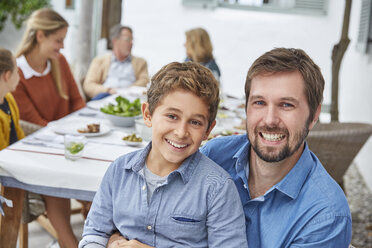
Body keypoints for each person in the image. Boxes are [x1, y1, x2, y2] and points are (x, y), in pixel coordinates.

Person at [108, 48, 352, 248]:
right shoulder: (213, 155)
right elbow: (145, 216)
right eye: (259, 102)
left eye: (286, 105)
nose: (269, 119)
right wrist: (115, 240)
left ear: (314, 115)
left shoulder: (326, 216)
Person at [79, 62, 247, 248]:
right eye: (172, 116)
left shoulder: (218, 188)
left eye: (195, 122)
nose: (181, 132)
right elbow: (94, 233)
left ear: (208, 130)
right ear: (148, 114)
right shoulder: (119, 171)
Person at [12, 8, 86, 247]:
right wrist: (68, 138)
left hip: (68, 143)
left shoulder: (58, 61)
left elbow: (77, 101)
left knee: (101, 184)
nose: (62, 47)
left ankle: (95, 237)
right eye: (58, 40)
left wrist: (79, 131)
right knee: (57, 178)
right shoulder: (16, 73)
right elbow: (35, 125)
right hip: (39, 150)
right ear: (40, 36)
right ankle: (68, 243)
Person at [83, 24, 149, 100]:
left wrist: (126, 91)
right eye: (128, 39)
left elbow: (145, 81)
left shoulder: (141, 62)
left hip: (130, 99)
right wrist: (109, 90)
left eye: (132, 40)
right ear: (115, 41)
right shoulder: (99, 61)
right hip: (106, 98)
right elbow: (88, 85)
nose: (131, 43)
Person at [0, 48, 24, 149]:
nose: (19, 77)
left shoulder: (9, 98)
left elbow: (20, 136)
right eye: (17, 72)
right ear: (7, 75)